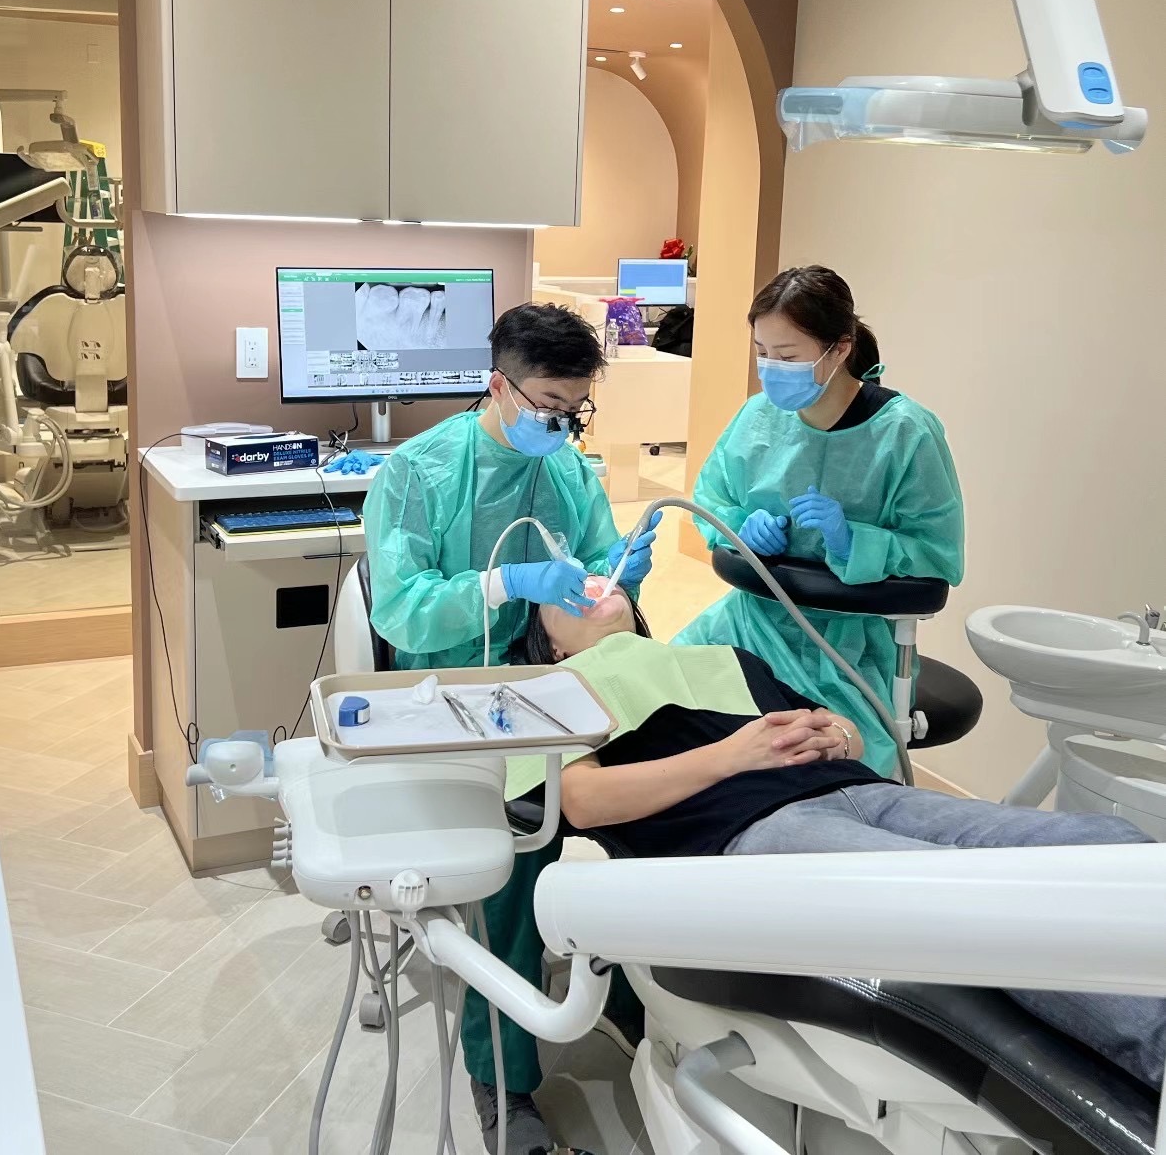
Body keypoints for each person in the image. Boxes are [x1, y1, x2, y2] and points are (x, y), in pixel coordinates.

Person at [516, 593, 1166, 1093]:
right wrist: (731, 756)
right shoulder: (556, 690)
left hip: (860, 790)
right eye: (564, 590)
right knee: (981, 899)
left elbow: (841, 728)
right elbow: (583, 800)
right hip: (752, 831)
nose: (590, 582)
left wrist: (840, 736)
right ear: (550, 646)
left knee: (1102, 842)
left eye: (598, 575)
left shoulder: (719, 658)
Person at [362, 301, 657, 1155]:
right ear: (498, 386)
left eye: (575, 410)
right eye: (547, 407)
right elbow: (403, 613)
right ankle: (501, 1075)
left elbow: (595, 576)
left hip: (553, 677)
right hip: (449, 688)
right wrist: (503, 584)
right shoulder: (417, 474)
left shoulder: (566, 469)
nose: (561, 427)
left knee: (654, 807)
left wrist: (617, 578)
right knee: (526, 842)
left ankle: (631, 993)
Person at [674, 266, 964, 775]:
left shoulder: (906, 435)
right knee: (662, 710)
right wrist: (742, 527)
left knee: (812, 762)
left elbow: (938, 555)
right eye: (762, 353)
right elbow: (713, 498)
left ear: (839, 349)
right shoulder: (757, 417)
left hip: (848, 648)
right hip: (750, 619)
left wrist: (855, 543)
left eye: (787, 357)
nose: (771, 369)